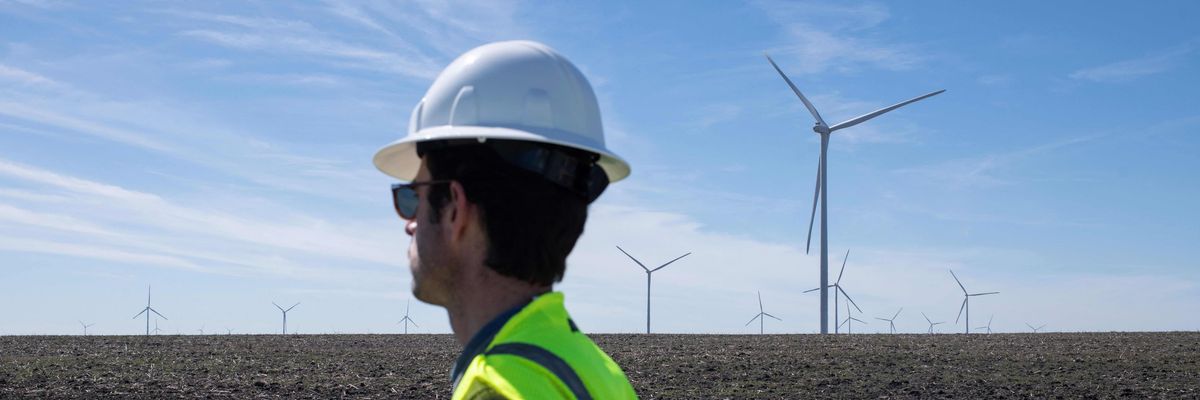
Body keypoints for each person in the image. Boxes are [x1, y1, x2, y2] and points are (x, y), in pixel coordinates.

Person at [372, 41, 637, 399]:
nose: (409, 223)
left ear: (454, 208)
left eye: (411, 197)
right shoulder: (592, 369)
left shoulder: (495, 388)